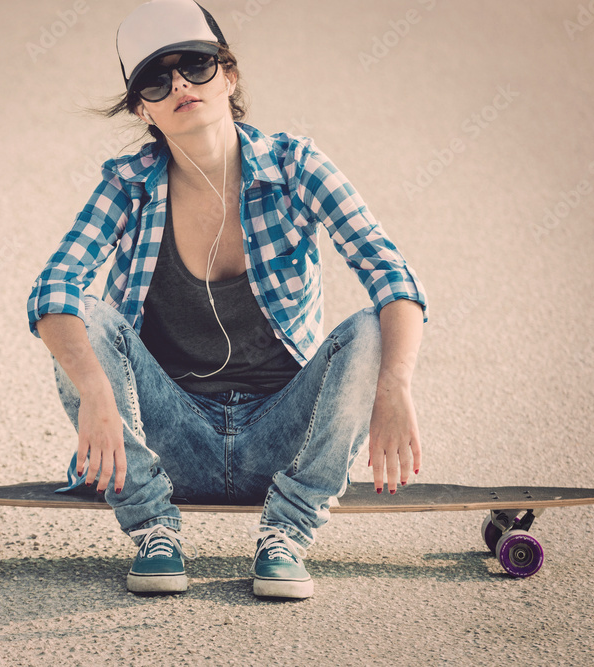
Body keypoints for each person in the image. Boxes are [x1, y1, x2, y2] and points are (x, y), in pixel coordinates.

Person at [27, 0, 427, 599]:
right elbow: (53, 290)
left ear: (229, 75)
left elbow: (390, 272)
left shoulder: (296, 166)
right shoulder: (127, 183)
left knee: (371, 328)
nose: (181, 85)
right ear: (143, 108)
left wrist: (394, 386)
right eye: (156, 80)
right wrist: (95, 392)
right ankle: (154, 530)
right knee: (79, 319)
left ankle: (287, 535)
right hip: (169, 438)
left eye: (196, 65)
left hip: (283, 436)